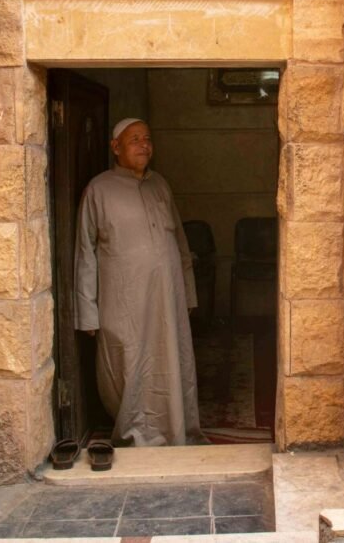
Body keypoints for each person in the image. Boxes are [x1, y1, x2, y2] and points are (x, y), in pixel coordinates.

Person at [74, 117, 202, 446]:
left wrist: (187, 293)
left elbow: (180, 242)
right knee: (129, 363)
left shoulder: (160, 184)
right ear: (115, 148)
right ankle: (137, 434)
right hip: (124, 302)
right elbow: (85, 253)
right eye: (134, 140)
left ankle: (177, 430)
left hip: (167, 298)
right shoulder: (98, 190)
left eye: (147, 138)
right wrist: (87, 311)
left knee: (174, 362)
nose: (143, 144)